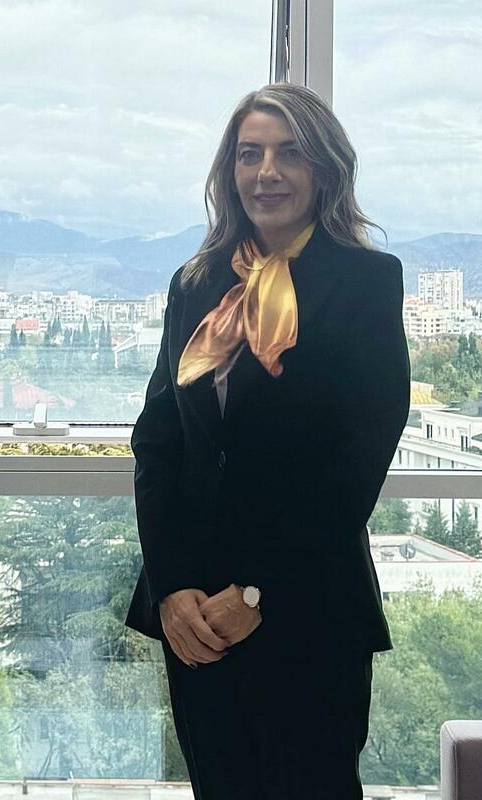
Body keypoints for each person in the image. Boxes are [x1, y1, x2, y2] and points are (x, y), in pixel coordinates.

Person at [125, 83, 410, 799]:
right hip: (198, 619)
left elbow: (353, 465)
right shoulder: (196, 283)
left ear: (325, 169)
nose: (267, 172)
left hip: (307, 607)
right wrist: (172, 588)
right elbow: (159, 443)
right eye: (249, 154)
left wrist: (255, 590)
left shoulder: (366, 282)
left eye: (289, 154)